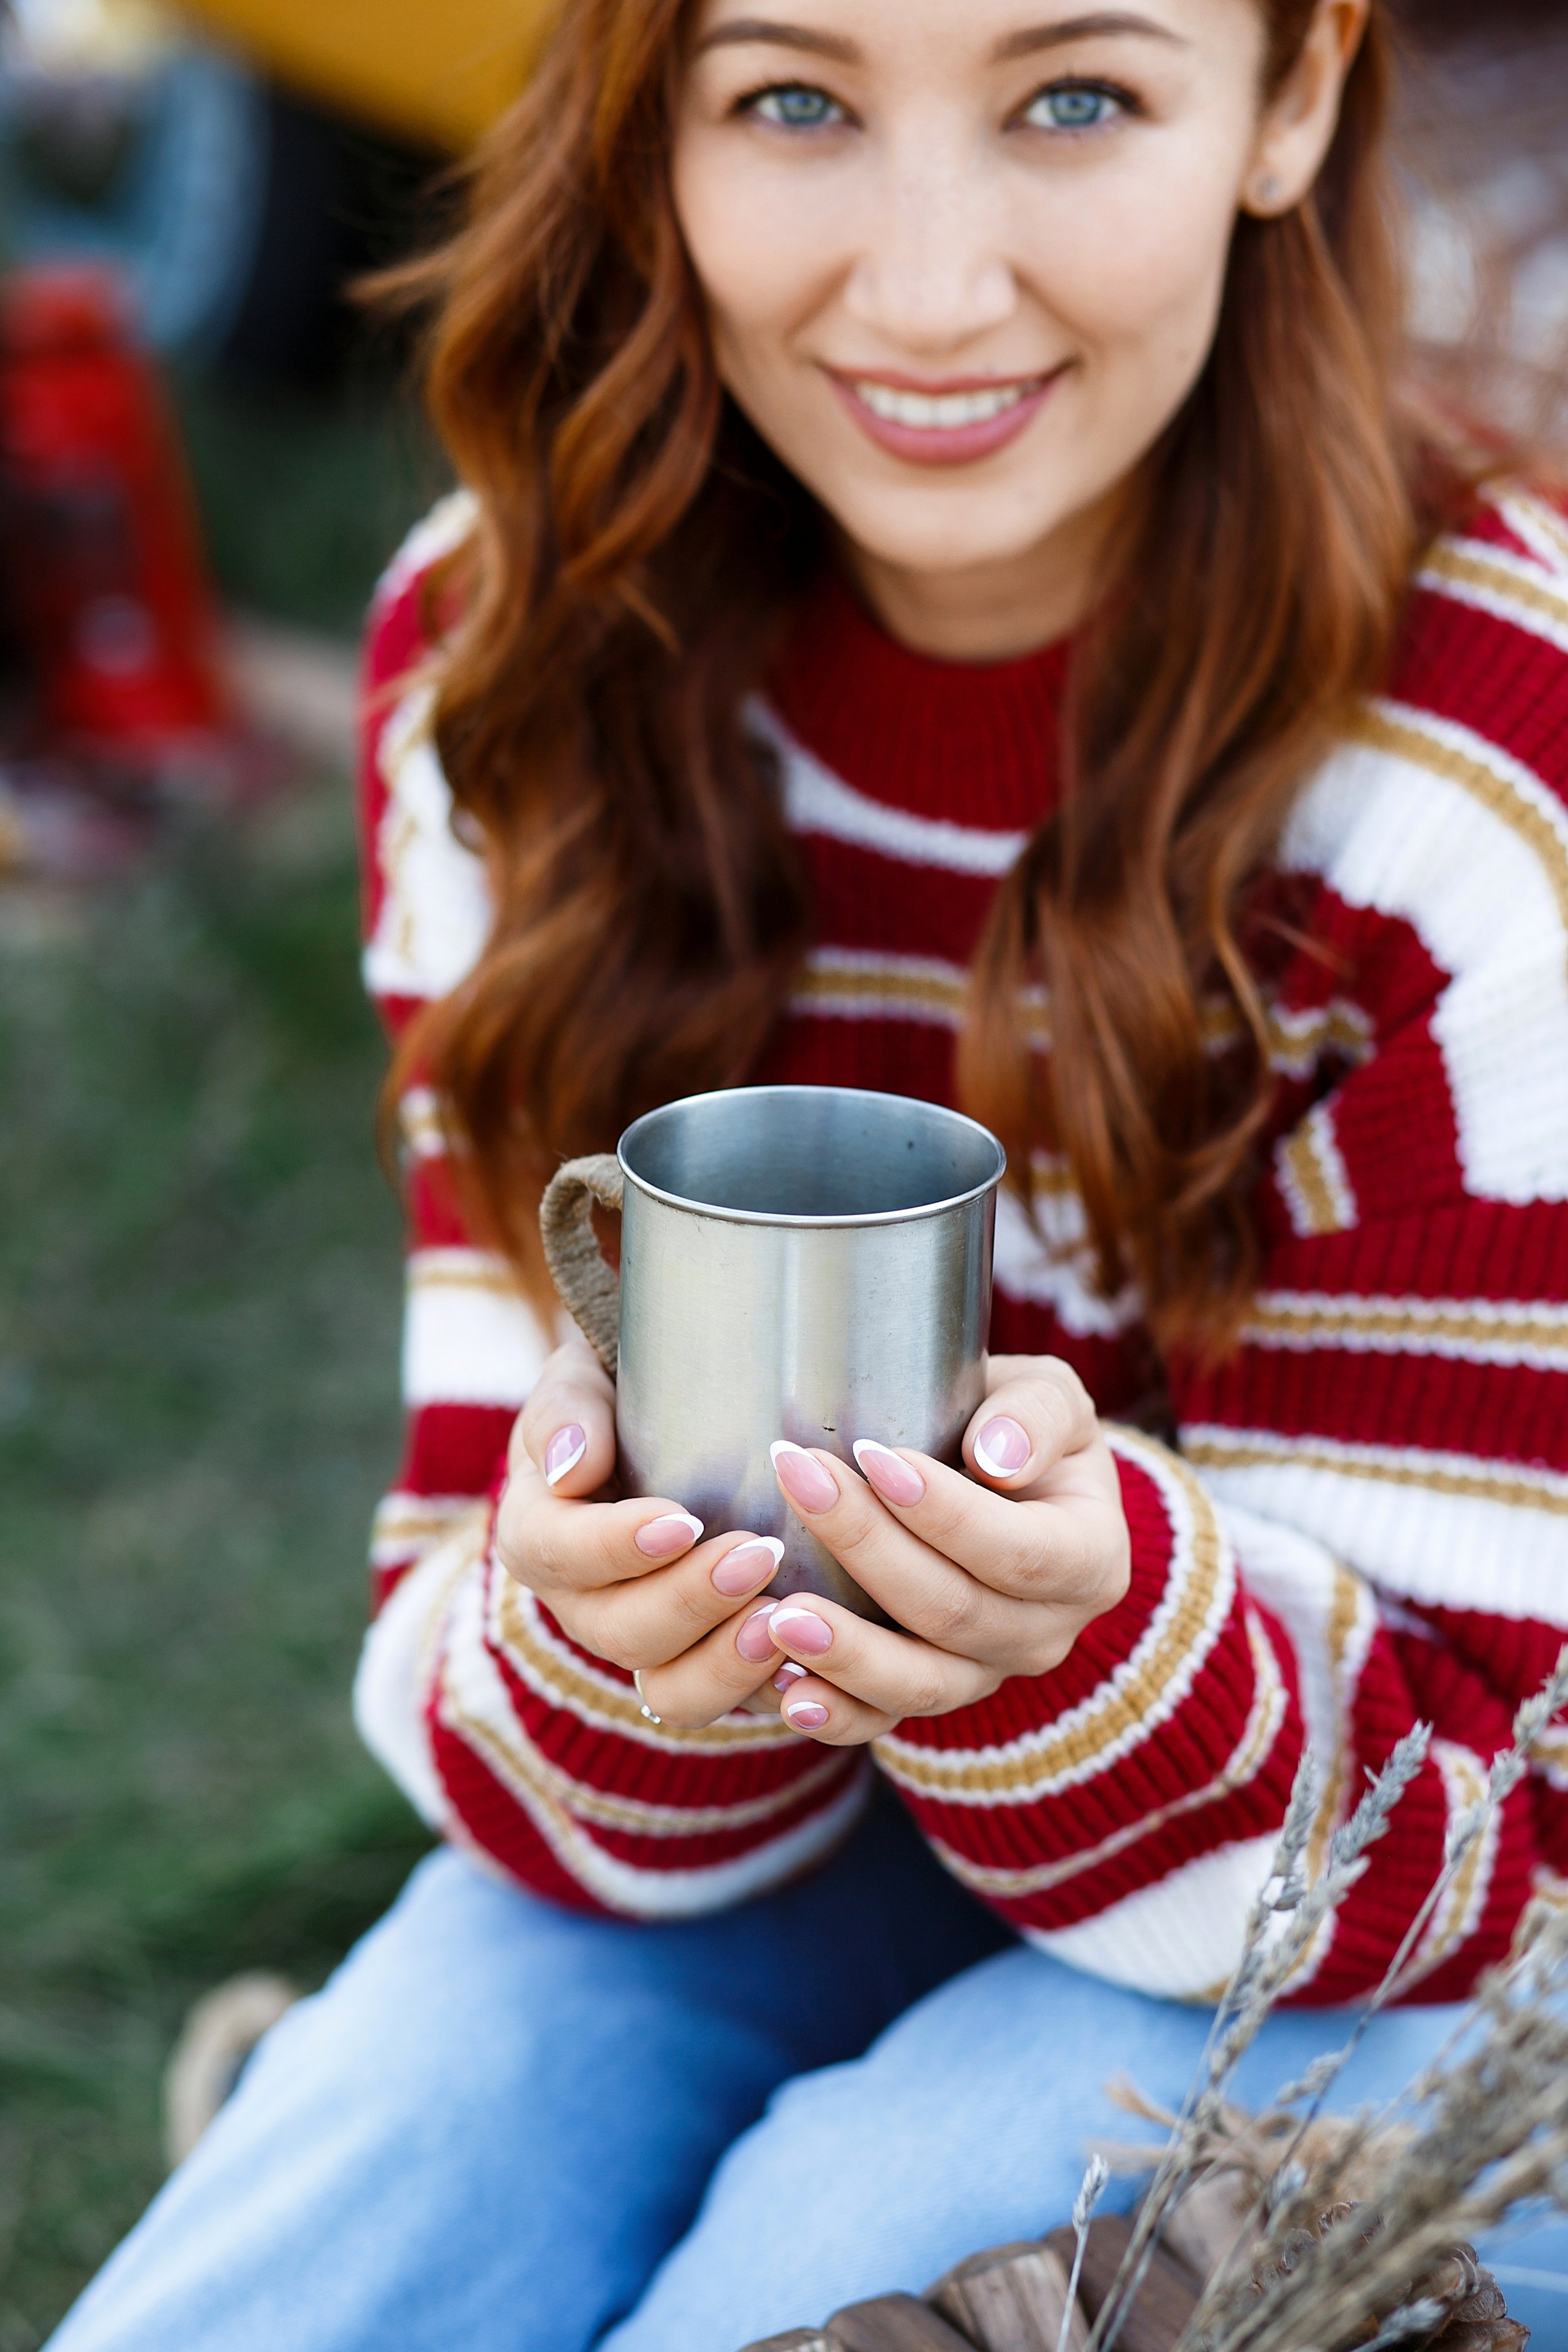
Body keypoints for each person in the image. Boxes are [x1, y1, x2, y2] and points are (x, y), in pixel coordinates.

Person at [48, 1, 1568, 2346]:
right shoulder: (510, 667)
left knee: (822, 2262)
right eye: (794, 99)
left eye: (1077, 98)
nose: (932, 291)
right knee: (401, 2153)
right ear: (644, 117)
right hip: (829, 1829)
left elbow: (1492, 1833)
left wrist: (1086, 1639)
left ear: (1291, 96)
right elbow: (478, 1633)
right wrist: (609, 1637)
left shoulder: (1481, 765)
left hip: (1427, 1935)